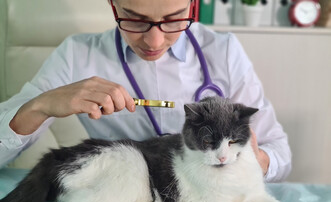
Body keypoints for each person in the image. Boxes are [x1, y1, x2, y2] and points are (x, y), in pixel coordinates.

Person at [0, 0, 291, 182]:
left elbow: (280, 153)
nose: (154, 40)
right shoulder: (77, 55)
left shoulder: (223, 51)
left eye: (174, 19)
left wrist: (256, 161)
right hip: (125, 195)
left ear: (192, 5)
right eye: (135, 19)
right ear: (113, 5)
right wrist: (41, 106)